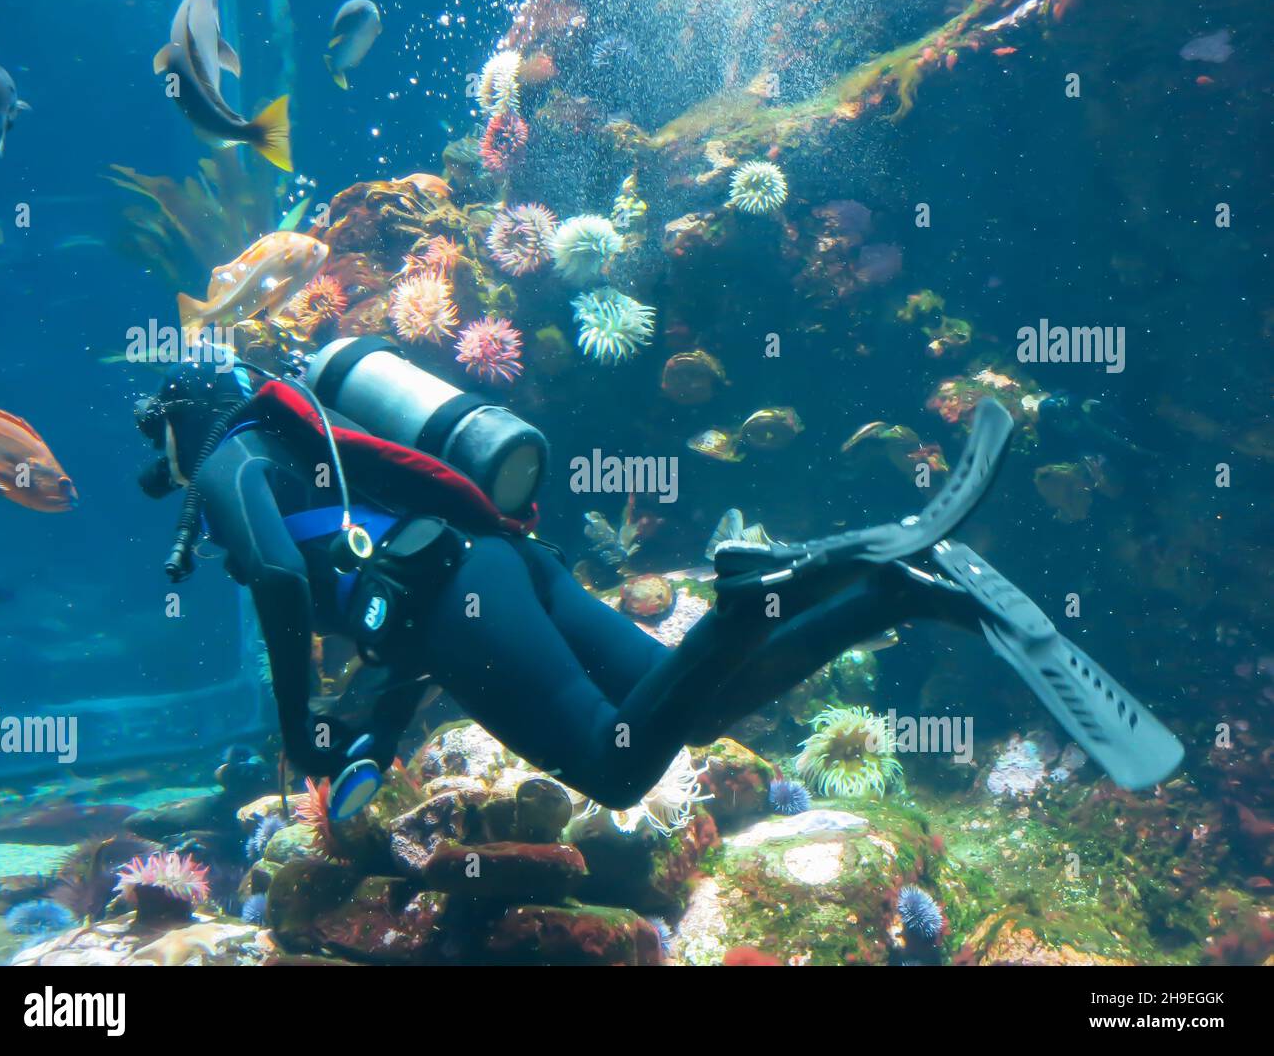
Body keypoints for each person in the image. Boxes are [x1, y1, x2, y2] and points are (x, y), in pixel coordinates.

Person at [135, 350, 1183, 819]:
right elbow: (388, 602)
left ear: (183, 421)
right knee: (703, 704)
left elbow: (277, 575)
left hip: (462, 595)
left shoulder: (230, 461)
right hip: (499, 566)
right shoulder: (307, 440)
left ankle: (742, 599)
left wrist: (295, 726)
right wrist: (367, 734)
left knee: (616, 768)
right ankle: (897, 588)